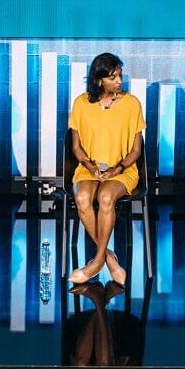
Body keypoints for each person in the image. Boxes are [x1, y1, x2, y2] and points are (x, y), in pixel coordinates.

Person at [67, 52, 145, 285]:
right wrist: (90, 166)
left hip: (122, 170)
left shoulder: (131, 104)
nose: (119, 81)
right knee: (82, 197)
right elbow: (76, 148)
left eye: (120, 76)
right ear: (99, 80)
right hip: (88, 170)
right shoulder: (81, 103)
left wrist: (117, 168)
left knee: (106, 197)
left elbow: (136, 151)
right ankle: (109, 259)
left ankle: (96, 262)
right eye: (113, 77)